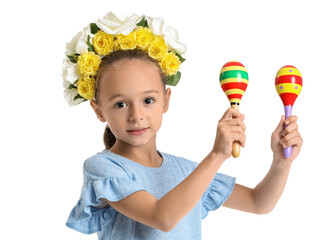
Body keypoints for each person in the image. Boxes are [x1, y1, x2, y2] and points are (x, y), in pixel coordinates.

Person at [63, 12, 303, 240]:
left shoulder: (186, 171)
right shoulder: (104, 168)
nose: (136, 115)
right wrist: (217, 155)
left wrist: (281, 161)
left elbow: (258, 202)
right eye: (120, 104)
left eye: (148, 100)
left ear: (166, 100)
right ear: (98, 110)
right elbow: (163, 217)